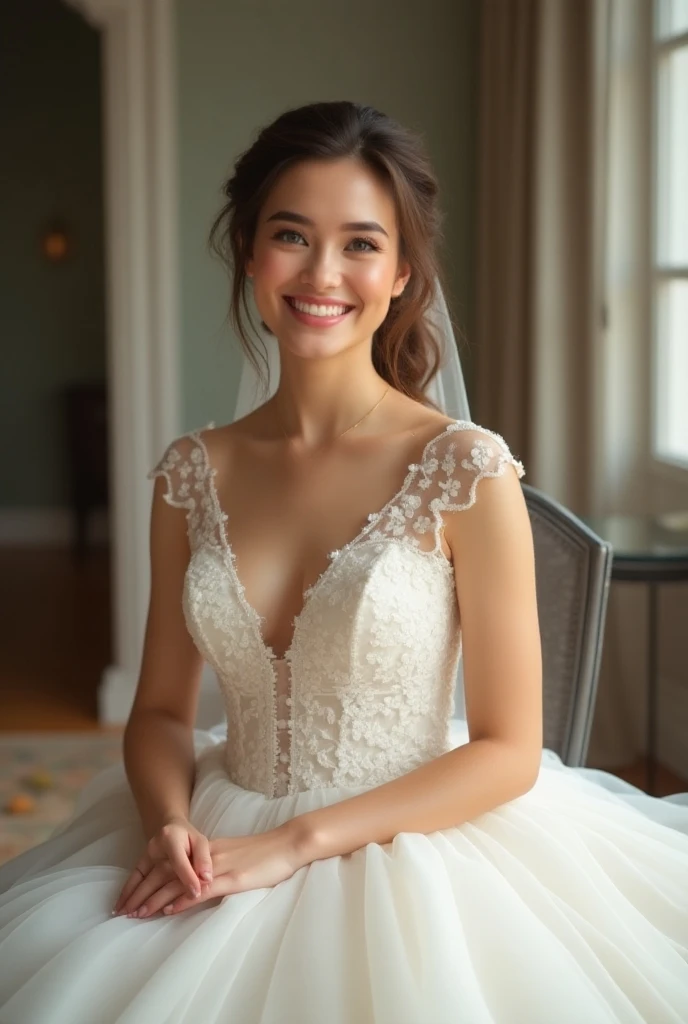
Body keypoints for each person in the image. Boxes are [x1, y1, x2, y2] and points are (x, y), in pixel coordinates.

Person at [0, 100, 686, 1024]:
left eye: (361, 243)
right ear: (249, 251)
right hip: (211, 831)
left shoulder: (464, 468)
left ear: (403, 272)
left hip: (412, 853)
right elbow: (161, 708)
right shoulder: (190, 474)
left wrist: (294, 845)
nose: (323, 273)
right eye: (292, 235)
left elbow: (510, 749)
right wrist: (169, 822)